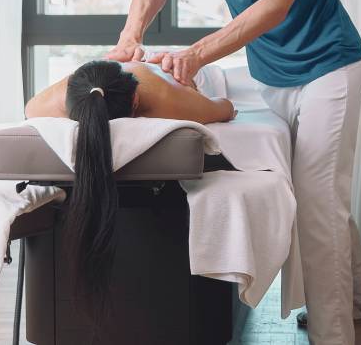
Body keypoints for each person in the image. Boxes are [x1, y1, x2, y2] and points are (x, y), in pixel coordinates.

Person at [106, 0, 361, 345]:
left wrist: (200, 53)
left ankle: (333, 335)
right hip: (269, 71)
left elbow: (276, 4)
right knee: (324, 192)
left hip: (329, 69)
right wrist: (131, 34)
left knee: (317, 199)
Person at [24, 59, 235, 321]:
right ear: (135, 101)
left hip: (155, 69)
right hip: (139, 74)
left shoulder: (50, 102)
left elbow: (29, 109)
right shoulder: (162, 97)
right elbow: (225, 108)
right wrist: (192, 95)